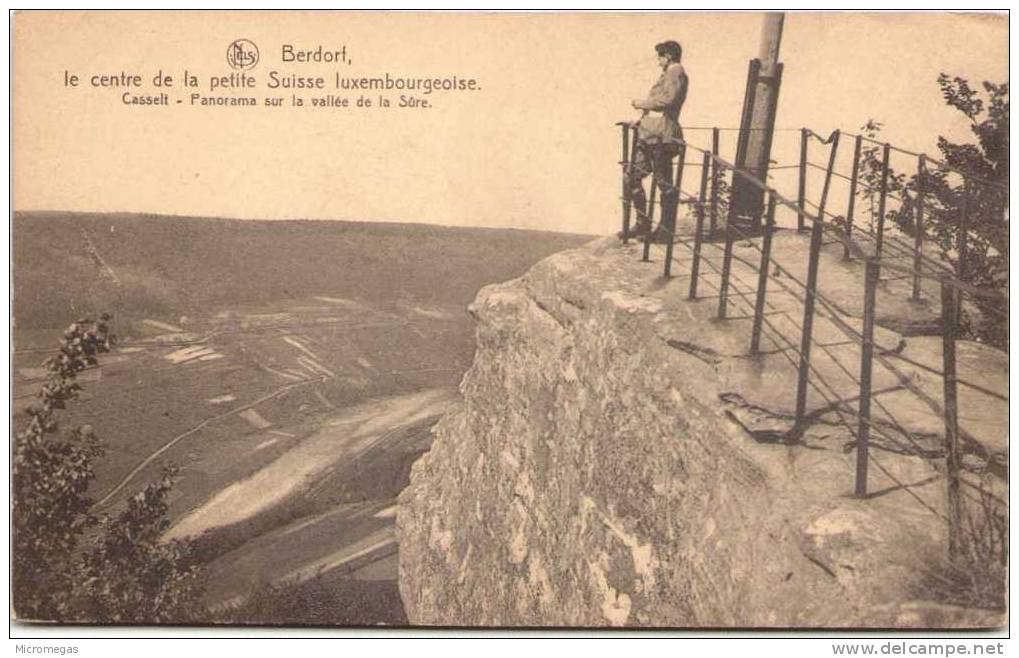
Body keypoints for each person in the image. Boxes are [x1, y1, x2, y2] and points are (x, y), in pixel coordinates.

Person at [622, 40, 688, 242]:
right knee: (631, 176)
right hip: (649, 135)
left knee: (664, 183)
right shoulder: (668, 73)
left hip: (662, 136)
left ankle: (665, 231)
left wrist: (641, 103)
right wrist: (640, 121)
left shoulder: (675, 72)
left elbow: (668, 101)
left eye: (660, 57)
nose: (658, 61)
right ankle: (642, 224)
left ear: (667, 56)